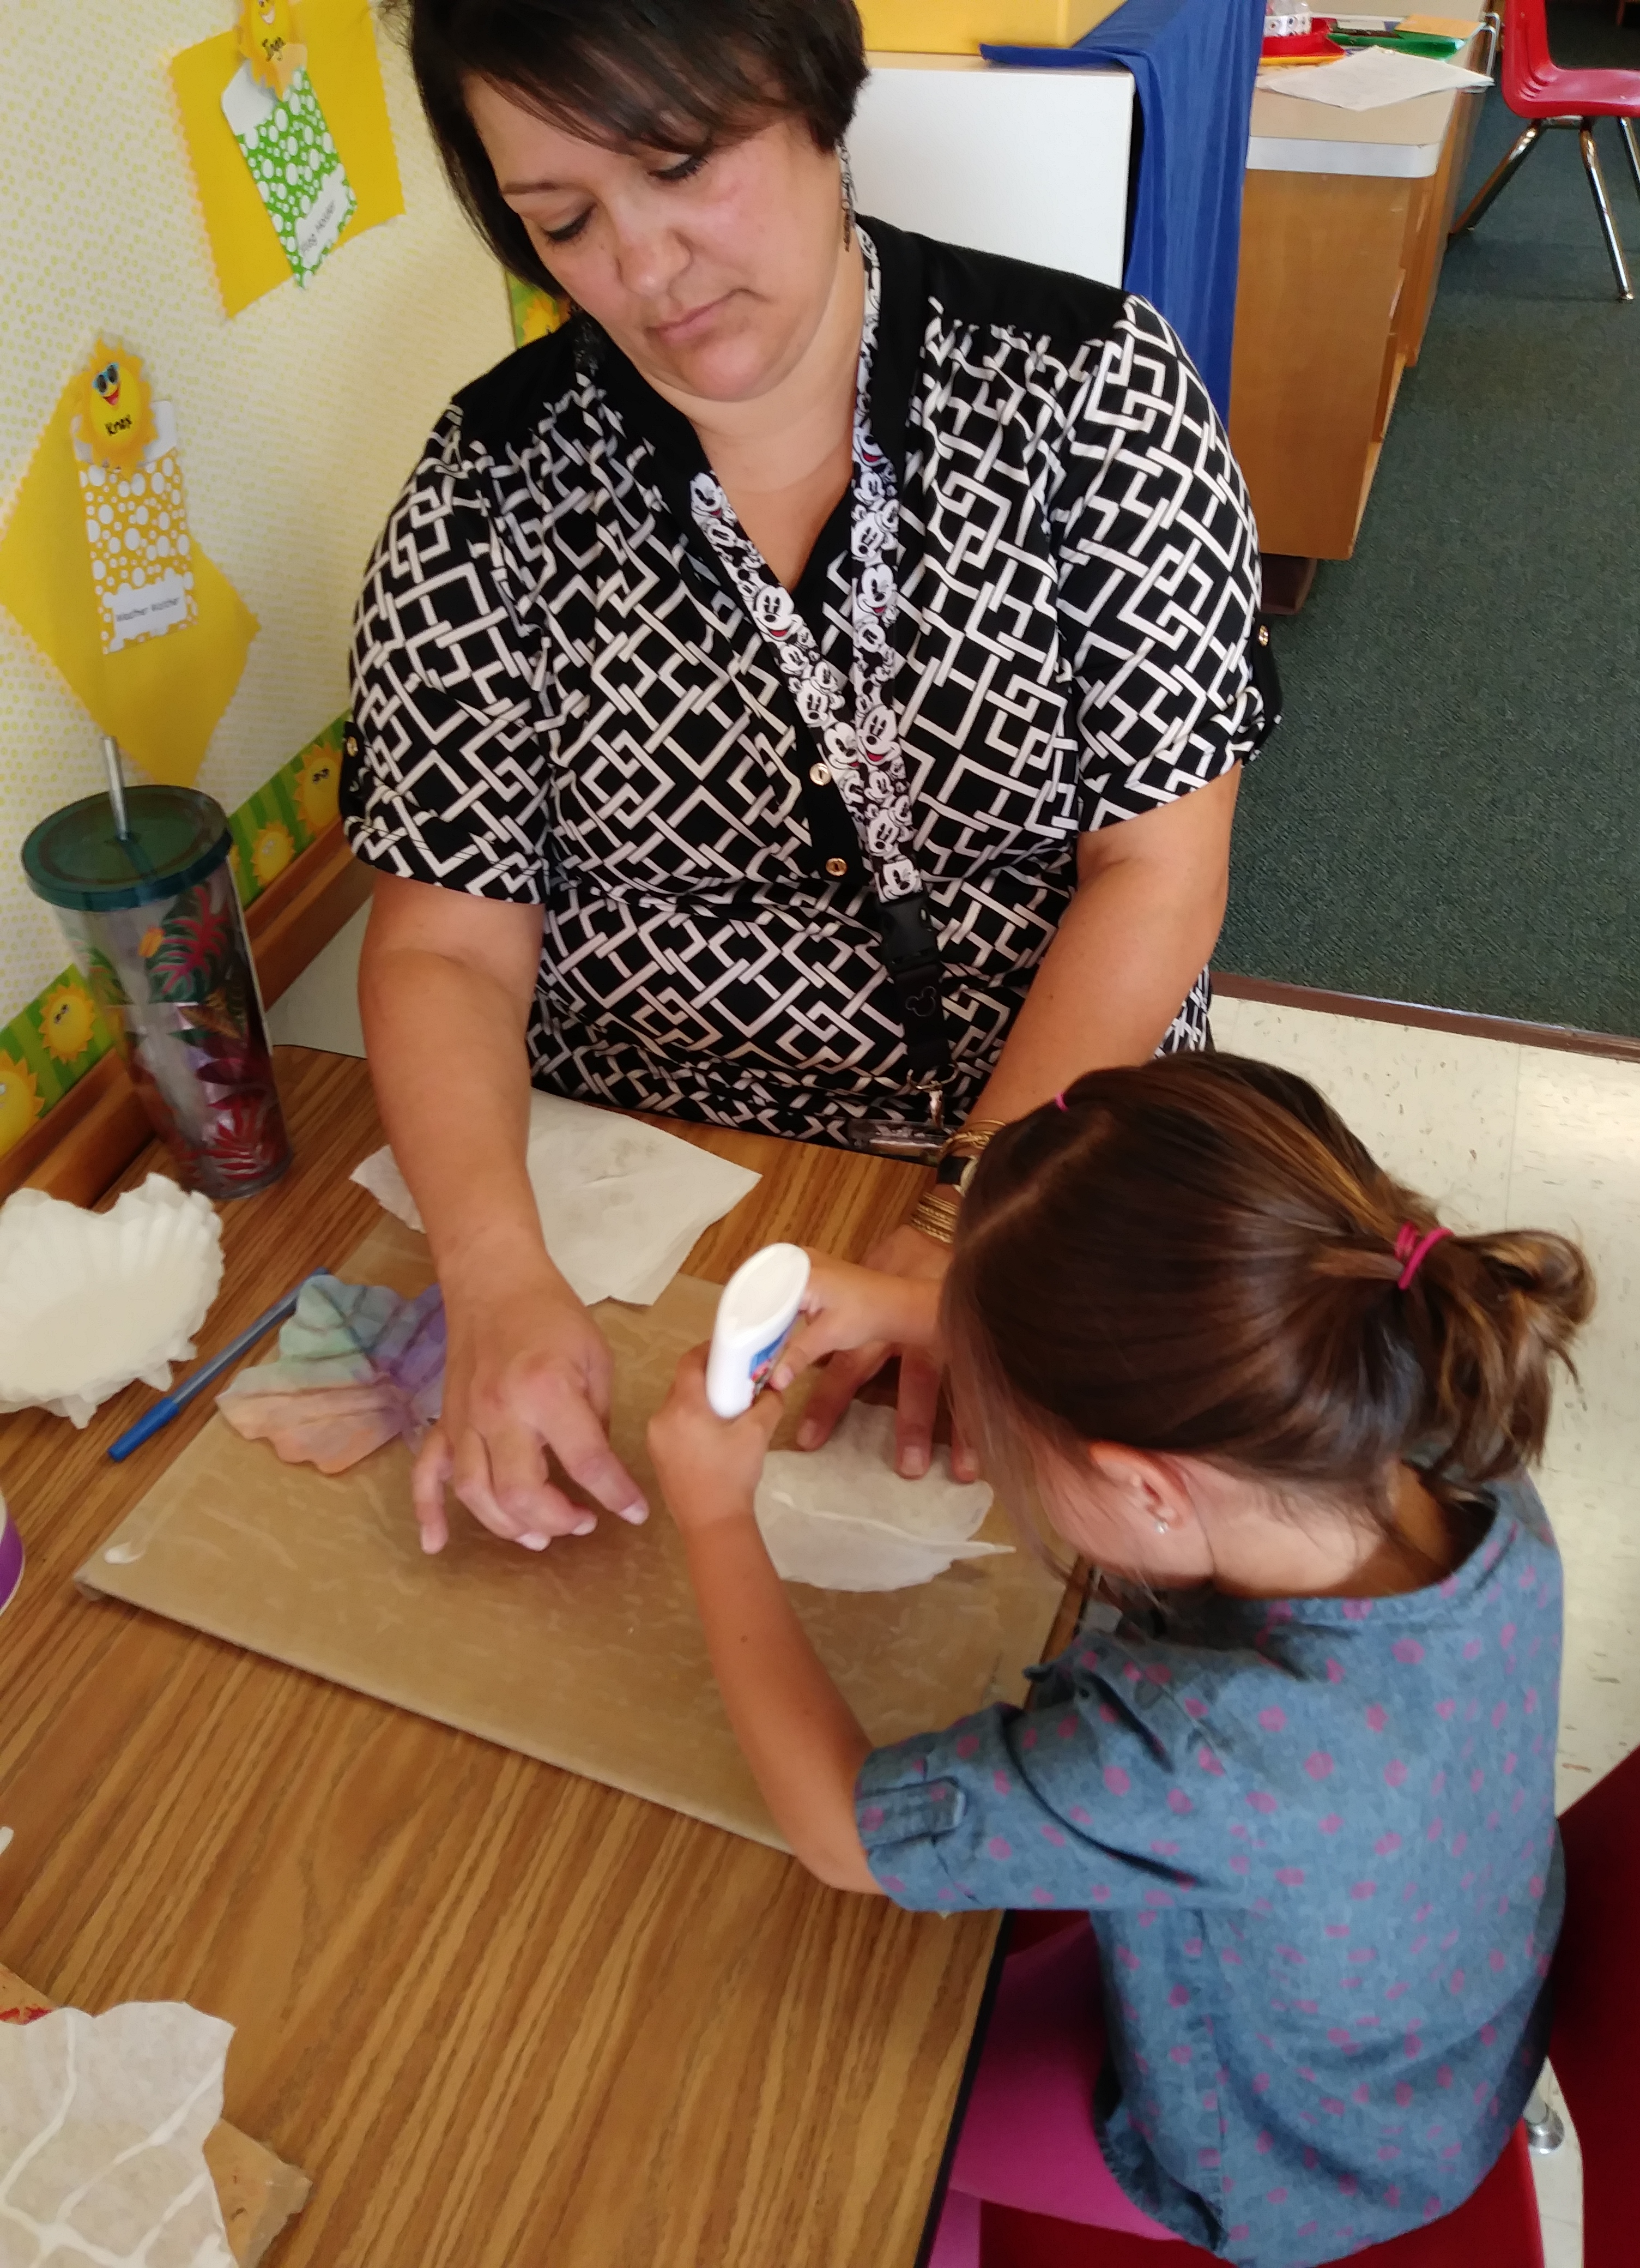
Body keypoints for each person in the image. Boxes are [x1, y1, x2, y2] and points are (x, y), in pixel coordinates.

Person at [342, 0, 1278, 1555]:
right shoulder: (487, 489)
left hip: (1047, 1149)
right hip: (643, 1180)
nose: (644, 268)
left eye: (680, 165)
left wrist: (962, 1226)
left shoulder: (1095, 399)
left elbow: (1158, 869)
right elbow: (445, 938)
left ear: (812, 95)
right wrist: (496, 1272)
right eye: (564, 221)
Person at [647, 1053, 1593, 2268]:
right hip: (1431, 2044)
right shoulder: (1438, 1424)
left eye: (1015, 1436)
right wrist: (936, 1310)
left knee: (828, 2124)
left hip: (1293, 2158)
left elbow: (840, 1836)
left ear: (1147, 1488)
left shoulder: (1190, 1758)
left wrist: (715, 1516)